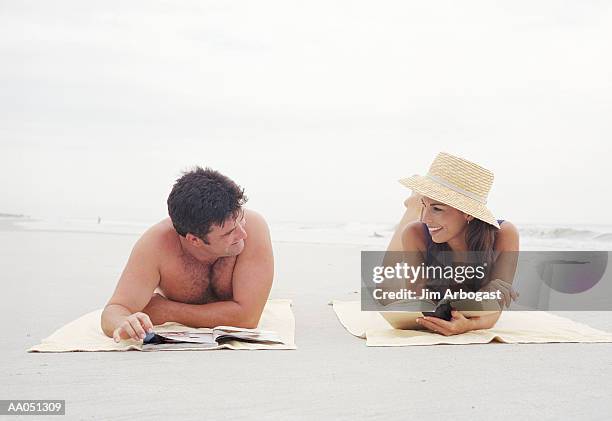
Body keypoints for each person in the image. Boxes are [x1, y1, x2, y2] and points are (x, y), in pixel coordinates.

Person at [101, 167, 274, 342]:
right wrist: (125, 322)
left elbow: (247, 319)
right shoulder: (157, 245)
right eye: (228, 233)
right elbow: (114, 311)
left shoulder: (254, 227)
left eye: (240, 218)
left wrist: (166, 311)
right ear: (194, 240)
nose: (243, 234)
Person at [384, 152, 520, 336]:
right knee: (384, 286)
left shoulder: (504, 234)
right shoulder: (415, 233)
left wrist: (468, 325)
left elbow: (496, 307)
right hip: (419, 244)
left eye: (437, 209)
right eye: (425, 206)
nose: (425, 218)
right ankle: (415, 204)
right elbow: (419, 304)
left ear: (468, 213)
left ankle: (420, 199)